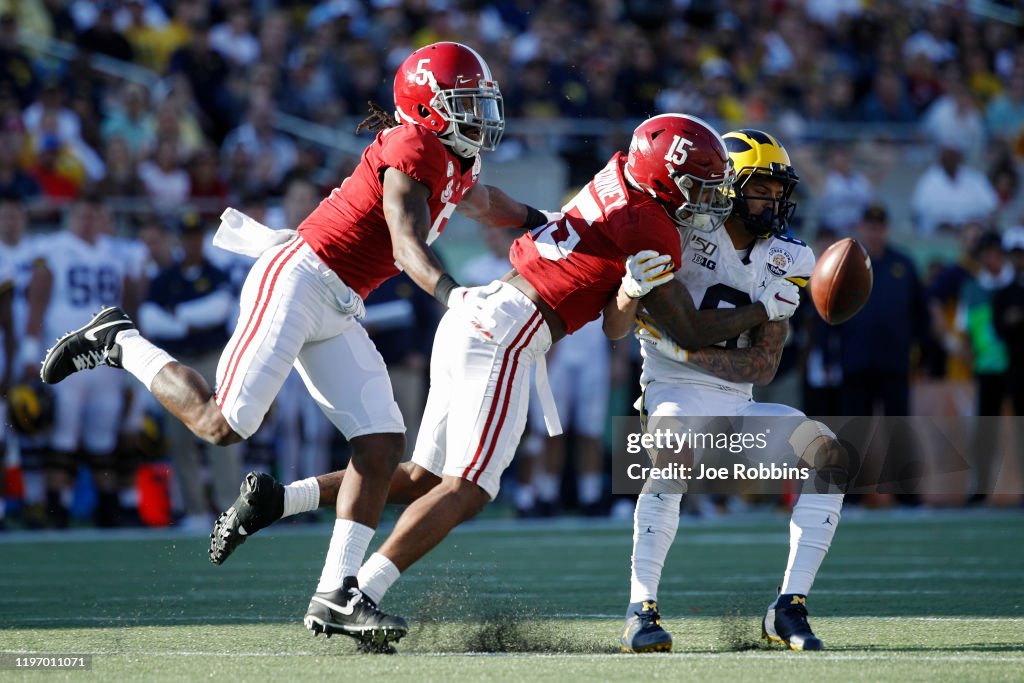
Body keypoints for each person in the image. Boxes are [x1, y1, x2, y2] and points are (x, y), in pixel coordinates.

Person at [194, 114, 801, 652]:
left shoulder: (620, 175)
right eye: (698, 185)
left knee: (424, 478)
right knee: (471, 488)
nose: (709, 199)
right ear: (666, 180)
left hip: (483, 316)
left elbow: (616, 313)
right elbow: (691, 331)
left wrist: (621, 282)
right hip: (510, 331)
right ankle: (355, 591)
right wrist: (767, 309)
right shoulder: (652, 224)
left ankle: (280, 498)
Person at [38, 42, 557, 647]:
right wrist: (452, 292)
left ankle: (336, 594)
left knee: (382, 444)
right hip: (300, 278)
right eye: (466, 103)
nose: (482, 115)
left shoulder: (451, 160)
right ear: (429, 108)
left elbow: (486, 203)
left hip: (338, 303)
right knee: (222, 422)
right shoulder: (412, 148)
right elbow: (406, 241)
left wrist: (546, 218)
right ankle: (120, 340)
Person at [610, 129, 846, 653]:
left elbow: (762, 367)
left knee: (828, 452)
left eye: (779, 189)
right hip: (671, 394)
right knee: (672, 450)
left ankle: (788, 608)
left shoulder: (793, 256)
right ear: (730, 186)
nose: (775, 200)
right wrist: (630, 293)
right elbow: (616, 326)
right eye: (762, 187)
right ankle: (640, 609)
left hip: (737, 407)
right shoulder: (683, 233)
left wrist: (690, 349)